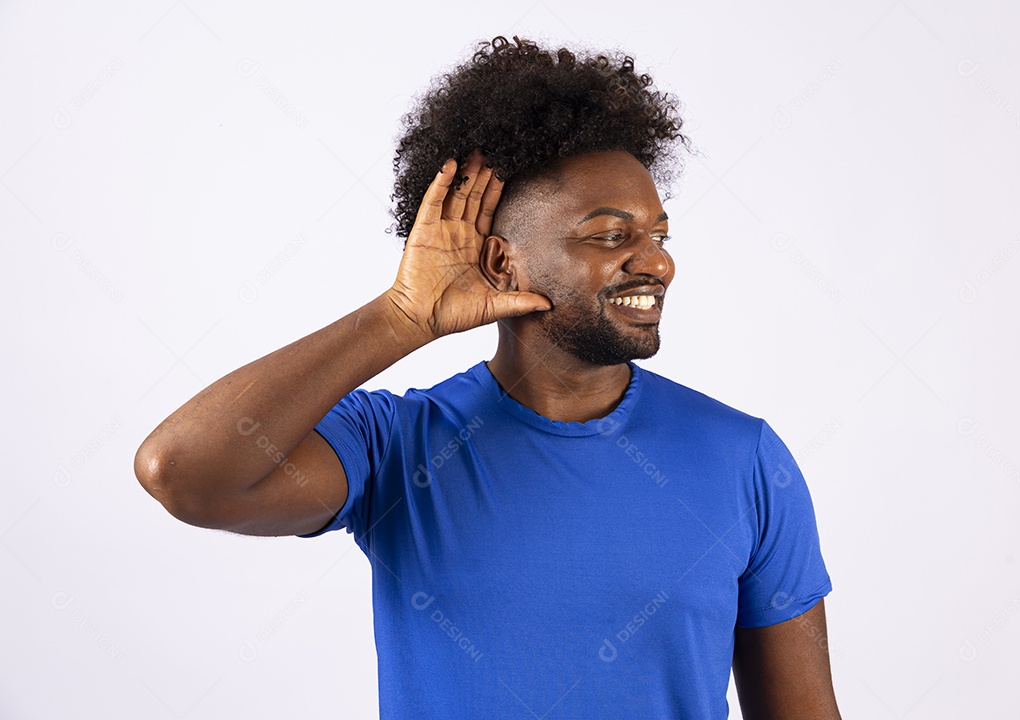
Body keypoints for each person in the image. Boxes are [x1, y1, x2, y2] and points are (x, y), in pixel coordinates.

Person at [135, 36, 842, 719]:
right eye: (610, 235)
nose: (657, 263)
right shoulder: (395, 448)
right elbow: (182, 471)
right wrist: (400, 316)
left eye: (658, 234)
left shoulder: (744, 459)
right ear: (503, 264)